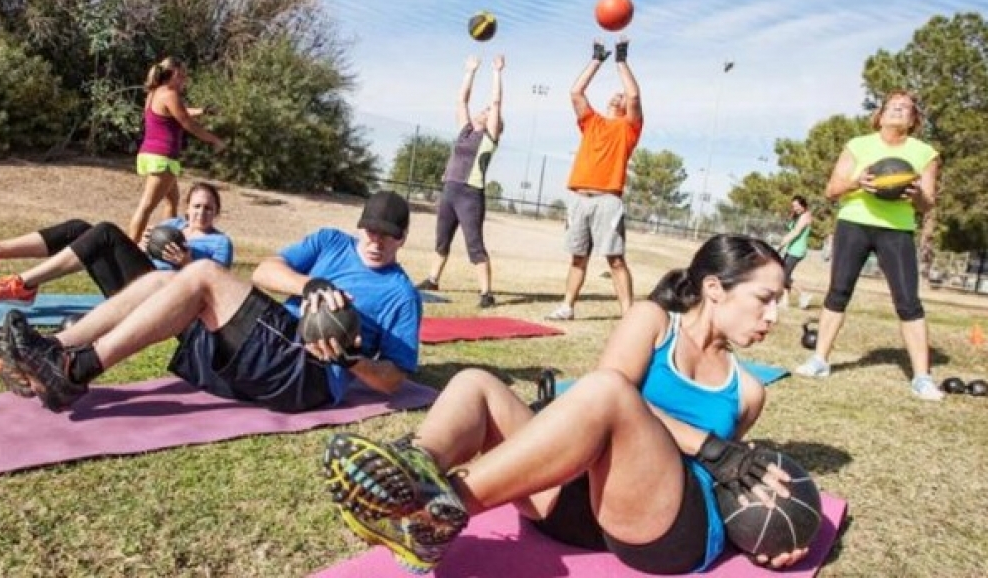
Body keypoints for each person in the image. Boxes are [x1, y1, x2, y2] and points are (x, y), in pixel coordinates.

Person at [321, 235, 810, 575]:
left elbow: (723, 480)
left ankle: (428, 513)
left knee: (606, 393)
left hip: (664, 528)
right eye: (765, 298)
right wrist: (711, 446)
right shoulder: (653, 321)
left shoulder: (749, 390)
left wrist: (769, 533)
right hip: (577, 507)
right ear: (714, 289)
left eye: (778, 303)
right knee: (476, 383)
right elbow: (611, 398)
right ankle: (413, 466)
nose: (773, 316)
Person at [1, 191, 421, 414]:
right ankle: (53, 352)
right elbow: (265, 271)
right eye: (371, 230)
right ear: (360, 227)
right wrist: (310, 284)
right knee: (162, 280)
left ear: (402, 238)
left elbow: (393, 380)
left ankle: (76, 369)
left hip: (307, 376)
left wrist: (351, 360)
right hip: (272, 346)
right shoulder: (331, 241)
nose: (376, 241)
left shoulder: (402, 295)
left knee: (202, 273)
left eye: (387, 235)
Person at [0, 182, 233, 396]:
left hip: (165, 297)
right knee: (79, 229)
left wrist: (186, 262)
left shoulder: (220, 242)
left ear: (216, 213)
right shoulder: (172, 225)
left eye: (208, 208)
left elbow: (211, 288)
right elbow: (138, 254)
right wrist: (144, 245)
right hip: (137, 283)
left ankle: (22, 285)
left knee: (106, 232)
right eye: (197, 206)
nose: (201, 212)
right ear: (187, 207)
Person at [794, 90, 944, 401]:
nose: (898, 110)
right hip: (854, 224)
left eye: (905, 108)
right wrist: (857, 182)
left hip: (897, 230)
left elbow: (928, 203)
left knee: (908, 302)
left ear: (913, 120)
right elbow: (832, 190)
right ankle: (819, 361)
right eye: (893, 106)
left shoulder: (925, 153)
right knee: (838, 292)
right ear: (880, 115)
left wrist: (916, 194)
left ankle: (922, 378)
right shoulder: (858, 145)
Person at [545, 38, 643, 321]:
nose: (618, 96)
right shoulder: (591, 122)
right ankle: (567, 306)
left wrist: (621, 59)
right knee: (577, 258)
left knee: (615, 260)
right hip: (579, 198)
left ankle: (628, 315)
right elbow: (576, 91)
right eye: (615, 94)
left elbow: (634, 95)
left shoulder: (628, 128)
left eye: (621, 97)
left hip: (607, 201)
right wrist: (597, 59)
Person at [416, 55, 505, 309]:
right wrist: (470, 71)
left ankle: (486, 294)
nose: (484, 110)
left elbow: (496, 102)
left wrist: (497, 72)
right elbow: (461, 100)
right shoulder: (465, 131)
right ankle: (433, 279)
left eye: (488, 111)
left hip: (470, 194)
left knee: (474, 245)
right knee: (442, 239)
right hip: (450, 189)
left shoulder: (489, 137)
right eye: (484, 109)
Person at [127, 56, 226, 244]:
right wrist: (214, 140)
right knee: (146, 206)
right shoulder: (170, 94)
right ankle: (129, 248)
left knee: (172, 201)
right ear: (174, 73)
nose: (184, 80)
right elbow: (187, 123)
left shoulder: (155, 93)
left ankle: (166, 243)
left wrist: (202, 111)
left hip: (151, 153)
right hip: (162, 157)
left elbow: (179, 111)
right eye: (182, 75)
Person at [776, 195, 813, 309]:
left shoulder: (806, 216)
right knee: (785, 274)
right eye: (793, 206)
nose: (795, 208)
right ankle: (785, 301)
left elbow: (796, 232)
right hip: (791, 248)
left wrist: (781, 244)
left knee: (784, 275)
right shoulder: (798, 216)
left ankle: (804, 294)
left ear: (803, 205)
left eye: (797, 206)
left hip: (797, 250)